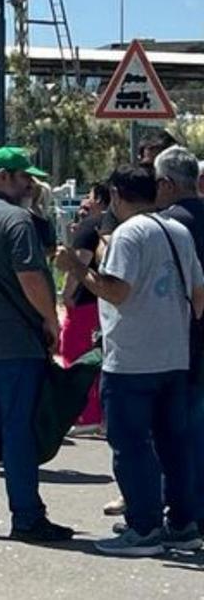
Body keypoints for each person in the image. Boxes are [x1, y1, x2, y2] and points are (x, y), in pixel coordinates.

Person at [55, 163, 203, 556]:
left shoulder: (128, 234)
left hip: (133, 359)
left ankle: (144, 527)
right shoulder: (176, 231)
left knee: (131, 443)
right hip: (174, 355)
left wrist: (76, 268)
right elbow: (198, 294)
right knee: (173, 443)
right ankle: (183, 523)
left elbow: (116, 292)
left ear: (118, 195)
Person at [0, 146, 72, 542]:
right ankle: (26, 515)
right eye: (24, 178)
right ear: (3, 176)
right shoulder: (17, 220)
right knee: (17, 428)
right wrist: (52, 320)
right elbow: (31, 279)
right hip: (14, 341)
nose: (30, 185)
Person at [152, 146, 204, 539]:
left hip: (183, 344)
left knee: (181, 435)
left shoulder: (164, 227)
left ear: (167, 183)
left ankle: (185, 515)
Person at [60, 182, 109, 435]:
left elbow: (77, 265)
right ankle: (99, 413)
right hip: (103, 299)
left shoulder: (90, 226)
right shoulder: (111, 225)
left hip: (83, 301)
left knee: (74, 353)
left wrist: (66, 295)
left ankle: (86, 414)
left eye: (89, 196)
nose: (85, 202)